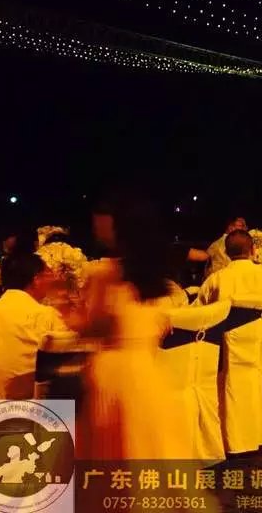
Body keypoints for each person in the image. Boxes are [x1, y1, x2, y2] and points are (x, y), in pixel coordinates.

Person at [78, 195, 194, 459]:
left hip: (114, 374)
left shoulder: (105, 273)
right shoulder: (152, 276)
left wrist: (65, 307)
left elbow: (93, 327)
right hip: (148, 372)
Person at [0, 253, 68, 400]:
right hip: (21, 409)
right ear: (36, 279)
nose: (53, 279)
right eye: (48, 274)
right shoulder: (44, 315)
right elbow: (67, 360)